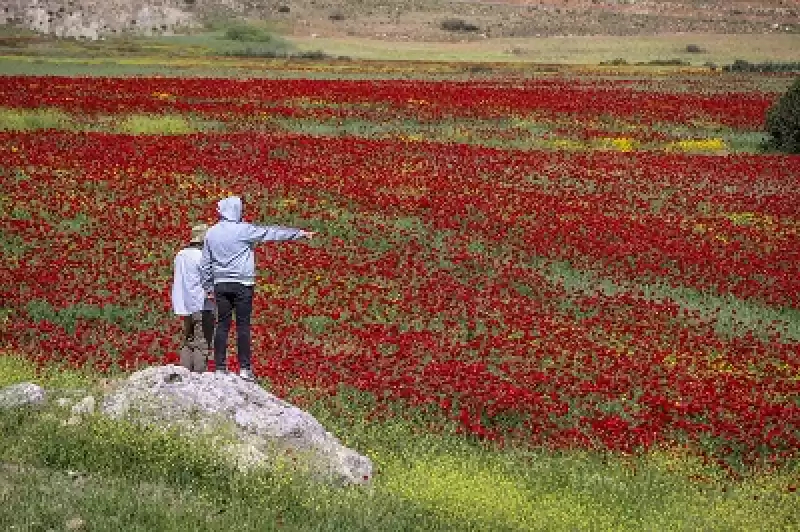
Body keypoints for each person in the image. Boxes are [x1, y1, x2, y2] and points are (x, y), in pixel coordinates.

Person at [200, 196, 316, 382]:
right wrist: (299, 233)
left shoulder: (211, 233)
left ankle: (220, 367)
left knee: (222, 325)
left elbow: (205, 262)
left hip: (220, 283)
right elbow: (270, 233)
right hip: (243, 284)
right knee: (243, 326)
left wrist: (207, 286)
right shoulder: (244, 230)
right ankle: (245, 369)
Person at [172, 223, 216, 372]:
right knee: (202, 343)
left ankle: (185, 376)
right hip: (202, 305)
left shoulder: (180, 255)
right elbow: (209, 281)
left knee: (188, 341)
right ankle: (198, 379)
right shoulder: (202, 256)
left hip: (184, 305)